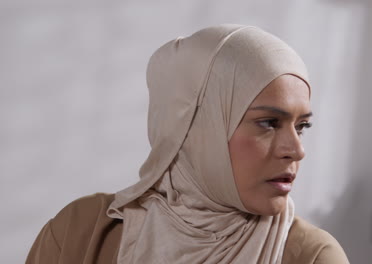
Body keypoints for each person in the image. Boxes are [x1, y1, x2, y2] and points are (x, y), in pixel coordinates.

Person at [26, 25, 349, 263]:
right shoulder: (81, 232)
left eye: (302, 126)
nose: (296, 149)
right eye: (268, 123)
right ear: (194, 127)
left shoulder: (312, 256)